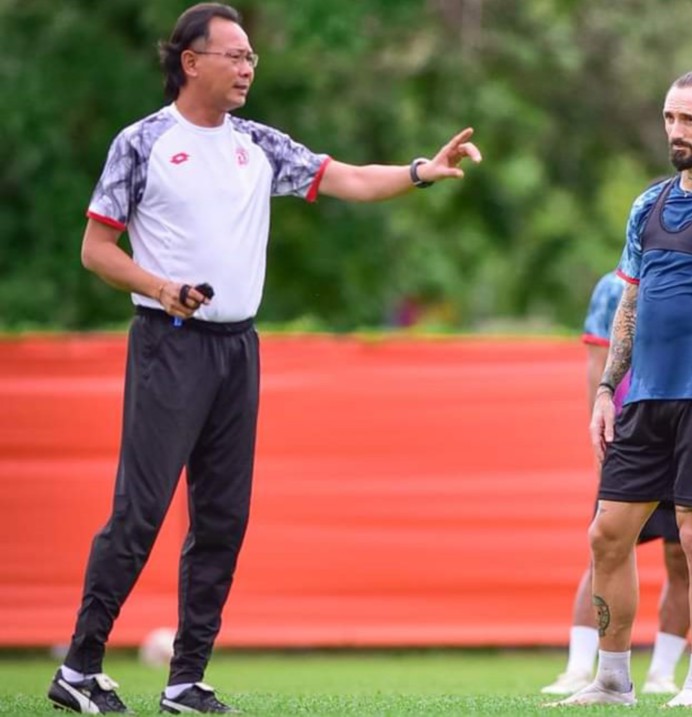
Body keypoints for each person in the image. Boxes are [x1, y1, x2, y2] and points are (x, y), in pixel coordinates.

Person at [46, 4, 481, 714]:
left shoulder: (258, 145)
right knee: (141, 512)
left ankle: (186, 679)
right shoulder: (143, 142)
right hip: (169, 344)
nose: (249, 67)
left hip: (236, 350)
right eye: (235, 55)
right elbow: (96, 250)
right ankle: (80, 666)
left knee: (222, 518)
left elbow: (348, 179)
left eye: (252, 57)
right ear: (191, 62)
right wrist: (162, 288)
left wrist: (420, 171)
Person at [547, 70, 692, 710]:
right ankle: (612, 680)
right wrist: (605, 391)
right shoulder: (647, 205)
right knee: (606, 535)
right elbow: (630, 302)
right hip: (643, 401)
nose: (674, 131)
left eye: (688, 119)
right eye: (668, 118)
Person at [540, 270, 691, 696]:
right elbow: (596, 366)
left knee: (684, 554)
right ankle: (578, 668)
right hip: (631, 435)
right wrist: (601, 436)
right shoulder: (613, 288)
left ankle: (662, 672)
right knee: (606, 547)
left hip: (682, 431)